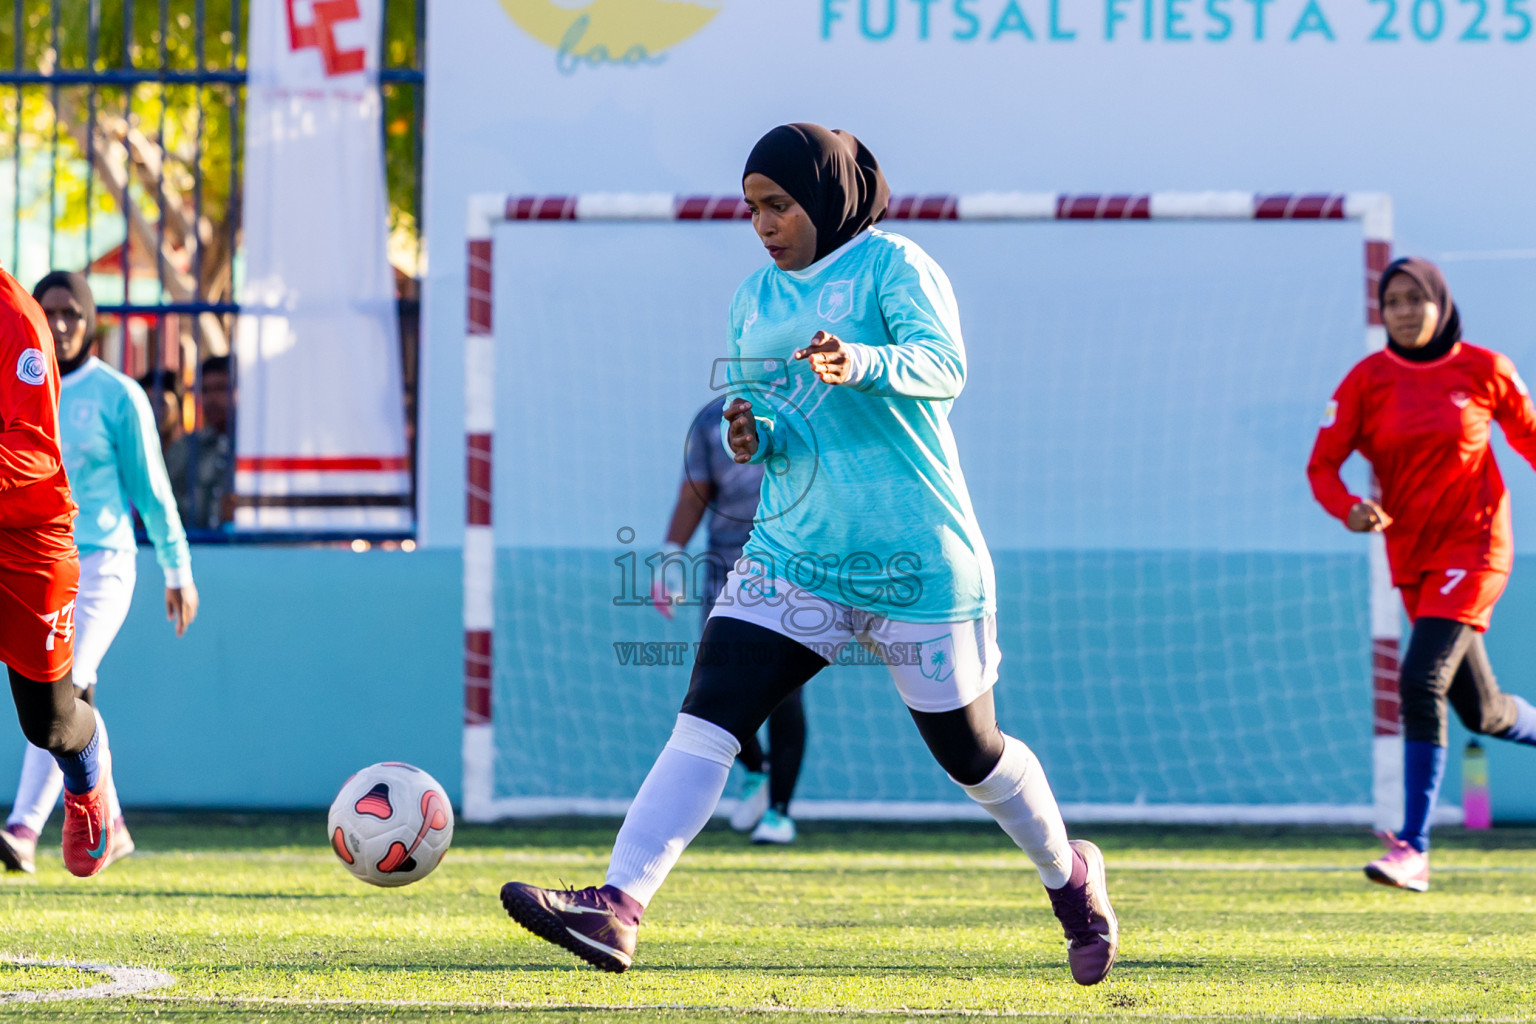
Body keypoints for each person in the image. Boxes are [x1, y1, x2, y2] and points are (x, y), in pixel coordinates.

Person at [499, 124, 1118, 984]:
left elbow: (945, 367)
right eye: (752, 208)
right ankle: (618, 906)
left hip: (916, 560)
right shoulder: (752, 299)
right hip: (794, 553)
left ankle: (1070, 876)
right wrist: (751, 435)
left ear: (826, 198)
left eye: (780, 205)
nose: (764, 223)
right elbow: (770, 426)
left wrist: (857, 359)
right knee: (711, 709)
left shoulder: (894, 265)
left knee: (970, 754)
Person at [1308, 256, 1536, 892]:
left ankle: (1414, 847)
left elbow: (1532, 439)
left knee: (1418, 680)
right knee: (1483, 712)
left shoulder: (1485, 370)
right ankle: (1415, 841)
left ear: (1441, 302)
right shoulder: (1366, 380)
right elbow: (1321, 466)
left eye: (1416, 299)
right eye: (1393, 301)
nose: (1405, 312)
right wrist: (1348, 508)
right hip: (1412, 559)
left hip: (1477, 546)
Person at [0, 272, 198, 875]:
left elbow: (151, 488)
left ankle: (72, 793)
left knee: (55, 714)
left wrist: (177, 566)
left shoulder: (30, 334)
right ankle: (26, 829)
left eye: (72, 314)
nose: (59, 323)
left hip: (77, 555)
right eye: (53, 310)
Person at [0, 263, 117, 878]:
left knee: (48, 722)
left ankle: (86, 769)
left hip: (26, 539)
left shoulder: (18, 319)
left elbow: (33, 449)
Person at [653, 396, 806, 844]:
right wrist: (670, 556)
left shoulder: (804, 412)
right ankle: (757, 769)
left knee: (786, 689)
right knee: (717, 682)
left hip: (792, 563)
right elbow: (694, 492)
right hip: (725, 566)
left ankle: (780, 812)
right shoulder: (708, 419)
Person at [166, 355, 232, 530]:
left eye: (221, 388)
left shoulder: (255, 450)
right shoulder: (185, 448)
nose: (211, 399)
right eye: (205, 390)